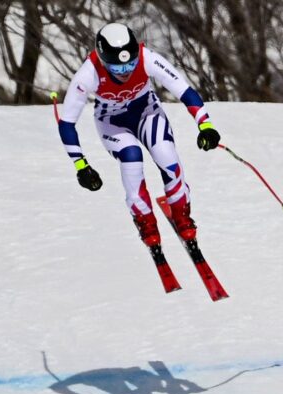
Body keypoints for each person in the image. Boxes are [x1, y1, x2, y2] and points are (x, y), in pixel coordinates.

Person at [56, 22, 221, 248]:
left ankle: (182, 214)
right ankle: (145, 220)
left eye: (130, 64)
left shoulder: (146, 57)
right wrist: (81, 166)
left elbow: (183, 89)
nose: (126, 72)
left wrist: (206, 125)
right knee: (131, 157)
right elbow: (66, 122)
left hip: (147, 112)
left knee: (166, 155)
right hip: (112, 123)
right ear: (104, 61)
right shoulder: (88, 73)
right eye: (117, 68)